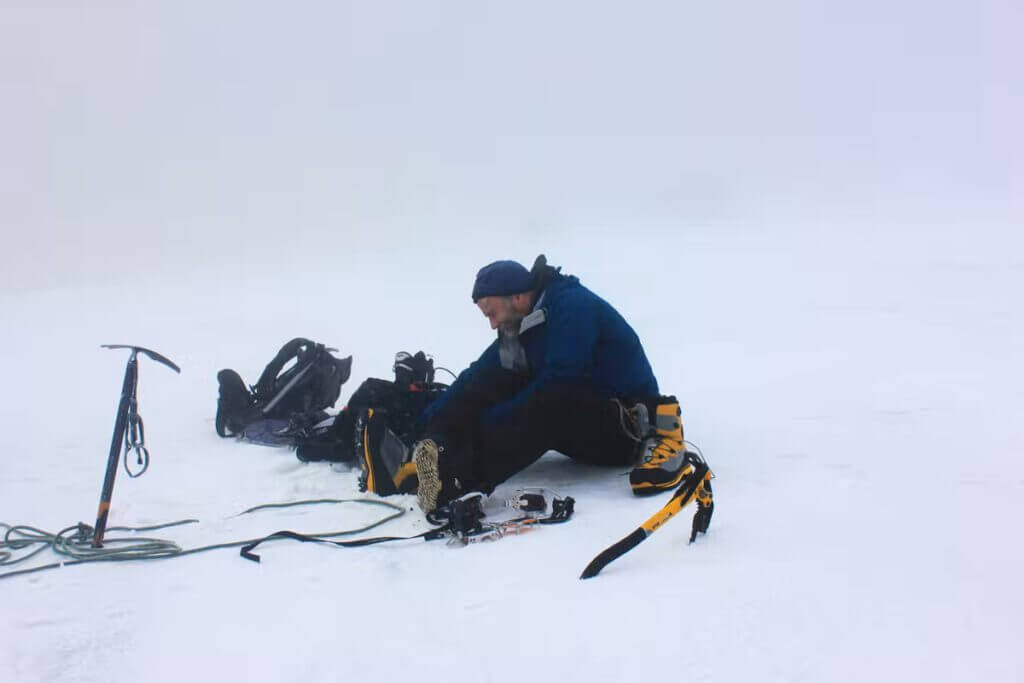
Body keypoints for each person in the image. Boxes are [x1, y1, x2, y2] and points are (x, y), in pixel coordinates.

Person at [360, 255, 694, 513]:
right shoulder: (524, 323)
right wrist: (428, 427)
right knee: (486, 383)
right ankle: (423, 452)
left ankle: (455, 478)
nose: (492, 324)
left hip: (623, 430)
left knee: (549, 398)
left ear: (517, 297)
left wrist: (487, 429)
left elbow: (562, 384)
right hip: (581, 416)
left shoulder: (571, 306)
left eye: (492, 313)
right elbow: (478, 379)